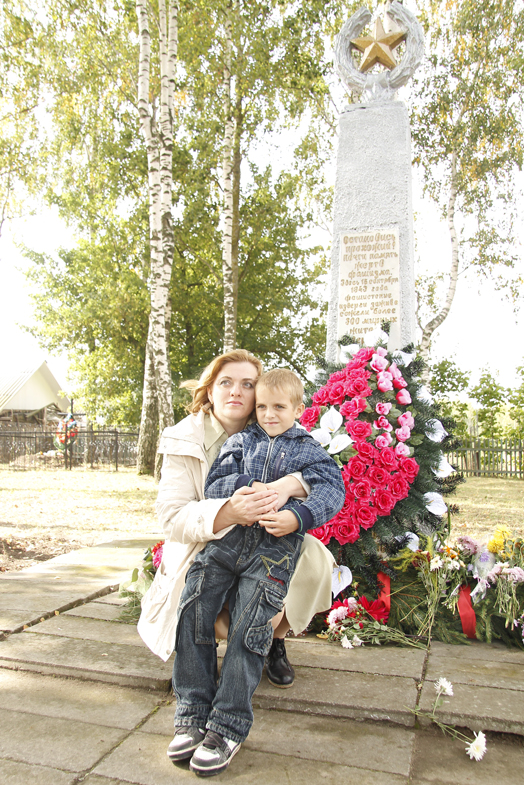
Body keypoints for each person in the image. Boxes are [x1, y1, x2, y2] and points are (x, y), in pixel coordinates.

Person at [137, 350, 336, 770]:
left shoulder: (294, 440)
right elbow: (199, 496)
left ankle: (229, 723)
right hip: (217, 540)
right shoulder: (229, 440)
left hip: (271, 545)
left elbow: (330, 484)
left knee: (253, 623)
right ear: (210, 387)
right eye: (228, 382)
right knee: (195, 609)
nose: (241, 394)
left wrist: (293, 503)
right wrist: (236, 500)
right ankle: (191, 716)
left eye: (250, 386)